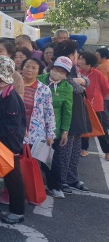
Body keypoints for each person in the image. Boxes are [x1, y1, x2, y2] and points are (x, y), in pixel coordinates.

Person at [0, 55, 27, 224]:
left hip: (8, 143)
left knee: (12, 176)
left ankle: (17, 211)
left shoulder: (10, 96)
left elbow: (12, 123)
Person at [53, 40, 91, 193]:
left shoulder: (73, 69)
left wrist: (82, 81)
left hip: (76, 112)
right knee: (65, 148)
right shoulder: (60, 68)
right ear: (70, 55)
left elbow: (86, 82)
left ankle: (72, 177)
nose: (78, 56)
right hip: (66, 114)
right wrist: (81, 82)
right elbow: (76, 88)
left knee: (75, 148)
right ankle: (62, 179)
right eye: (76, 54)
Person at [38, 56, 74, 198]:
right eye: (56, 69)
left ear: (66, 74)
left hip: (53, 129)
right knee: (32, 156)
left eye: (62, 72)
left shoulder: (67, 88)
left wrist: (65, 131)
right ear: (51, 68)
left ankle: (55, 186)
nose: (58, 73)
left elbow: (67, 111)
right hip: (35, 126)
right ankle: (33, 185)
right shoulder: (39, 80)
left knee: (52, 159)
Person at [77, 51, 109, 161]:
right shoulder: (78, 73)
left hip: (96, 106)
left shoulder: (98, 73)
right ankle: (84, 148)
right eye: (79, 58)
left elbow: (106, 89)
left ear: (89, 62)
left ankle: (107, 151)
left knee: (101, 129)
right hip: (82, 105)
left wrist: (98, 98)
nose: (79, 61)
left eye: (82, 59)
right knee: (83, 128)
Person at [20, 58, 56, 147]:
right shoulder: (14, 85)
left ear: (38, 72)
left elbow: (49, 113)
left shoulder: (44, 89)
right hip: (14, 132)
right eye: (27, 66)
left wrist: (50, 135)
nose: (29, 70)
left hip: (35, 135)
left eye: (33, 68)